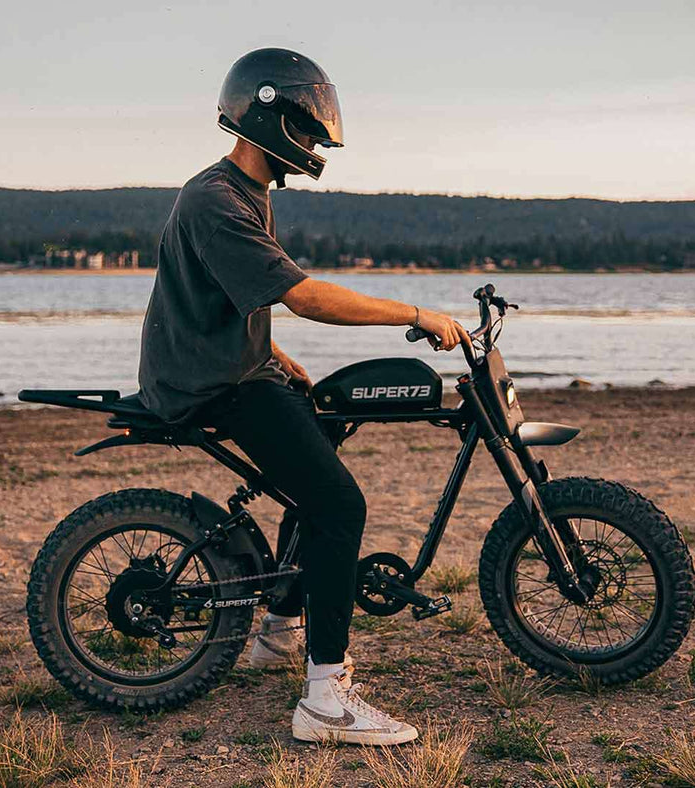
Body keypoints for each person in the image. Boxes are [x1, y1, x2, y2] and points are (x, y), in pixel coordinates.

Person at [136, 47, 468, 746]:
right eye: (310, 130)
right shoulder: (216, 200)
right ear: (273, 114)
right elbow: (303, 296)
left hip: (233, 367)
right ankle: (325, 701)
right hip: (209, 383)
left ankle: (281, 629)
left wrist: (281, 361)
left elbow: (229, 302)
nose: (316, 145)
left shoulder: (242, 193)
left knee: (319, 455)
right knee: (341, 505)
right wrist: (415, 313)